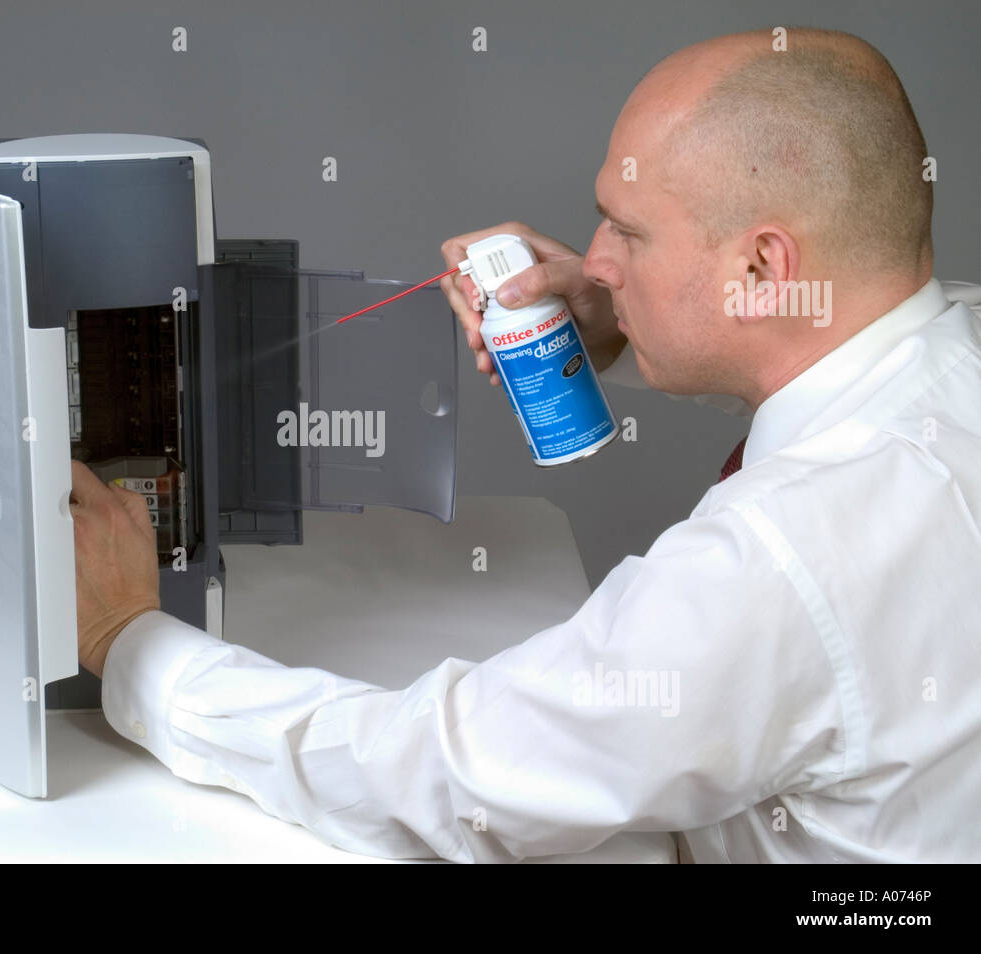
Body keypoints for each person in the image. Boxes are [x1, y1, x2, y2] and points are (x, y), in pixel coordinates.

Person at [66, 26, 981, 862]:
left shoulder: (782, 560)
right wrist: (626, 316)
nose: (597, 258)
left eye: (628, 231)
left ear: (762, 268)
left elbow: (444, 779)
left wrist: (130, 642)